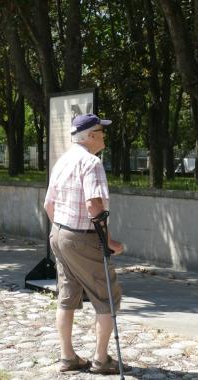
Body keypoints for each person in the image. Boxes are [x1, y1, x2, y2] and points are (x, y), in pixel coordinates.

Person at [44, 113, 130, 374]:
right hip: (83, 237)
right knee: (107, 298)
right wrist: (108, 241)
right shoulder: (91, 163)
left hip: (59, 233)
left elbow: (48, 204)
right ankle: (101, 360)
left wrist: (61, 228)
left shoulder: (64, 160)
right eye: (101, 131)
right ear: (91, 136)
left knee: (67, 296)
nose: (104, 135)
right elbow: (94, 205)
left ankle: (67, 356)